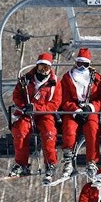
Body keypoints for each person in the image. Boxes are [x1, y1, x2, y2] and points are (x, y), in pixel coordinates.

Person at [9, 52, 63, 184]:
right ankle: (21, 164)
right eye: (40, 68)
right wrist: (23, 106)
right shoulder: (26, 79)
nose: (43, 71)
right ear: (37, 67)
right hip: (27, 114)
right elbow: (16, 95)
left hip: (45, 115)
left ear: (50, 69)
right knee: (20, 131)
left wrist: (37, 108)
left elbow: (55, 103)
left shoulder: (54, 83)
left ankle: (50, 163)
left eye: (46, 68)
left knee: (49, 133)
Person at [58, 48, 101, 178]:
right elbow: (64, 98)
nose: (81, 67)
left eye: (85, 65)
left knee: (92, 128)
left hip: (89, 110)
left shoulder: (96, 79)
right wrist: (75, 110)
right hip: (73, 110)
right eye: (79, 64)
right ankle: (68, 158)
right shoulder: (67, 78)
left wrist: (91, 107)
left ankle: (92, 161)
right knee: (69, 128)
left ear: (89, 65)